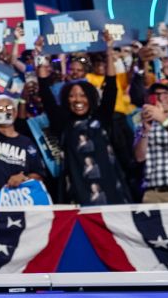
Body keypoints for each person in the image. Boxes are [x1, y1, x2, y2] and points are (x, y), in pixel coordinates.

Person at [39, 44, 133, 206]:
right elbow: (45, 92)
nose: (78, 100)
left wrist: (109, 52)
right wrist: (39, 55)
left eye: (83, 95)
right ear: (66, 100)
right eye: (72, 96)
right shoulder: (62, 123)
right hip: (77, 191)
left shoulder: (101, 118)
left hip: (111, 188)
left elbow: (111, 86)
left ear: (91, 98)